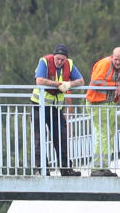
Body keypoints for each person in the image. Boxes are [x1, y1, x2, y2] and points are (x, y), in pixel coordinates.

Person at [31, 43, 84, 173]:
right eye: (58, 59)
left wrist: (69, 84)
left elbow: (81, 81)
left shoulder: (69, 64)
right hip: (39, 106)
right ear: (53, 56)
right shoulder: (44, 61)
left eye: (62, 59)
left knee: (61, 138)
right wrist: (59, 84)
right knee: (39, 138)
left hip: (56, 108)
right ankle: (42, 169)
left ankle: (66, 169)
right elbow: (40, 81)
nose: (60, 62)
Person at [85, 46, 120, 176]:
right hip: (96, 103)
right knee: (103, 134)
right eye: (116, 59)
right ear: (112, 57)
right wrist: (116, 86)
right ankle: (97, 168)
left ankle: (104, 167)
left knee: (110, 135)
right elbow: (95, 81)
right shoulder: (104, 64)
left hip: (110, 103)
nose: (117, 62)